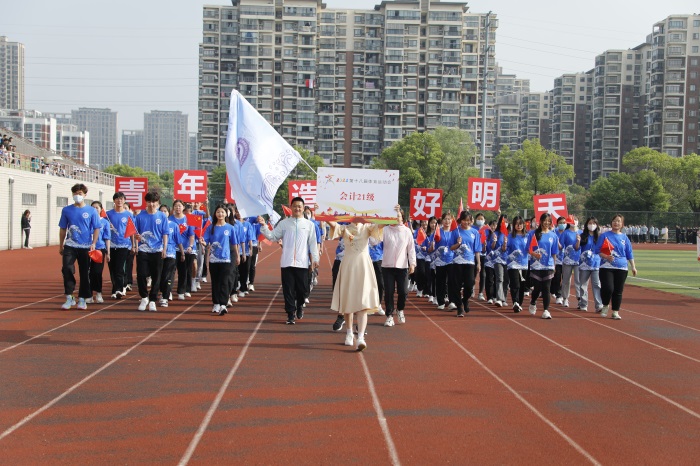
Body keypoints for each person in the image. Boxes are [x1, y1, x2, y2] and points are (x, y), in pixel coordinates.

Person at [327, 205, 401, 351]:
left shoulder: (368, 228)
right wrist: (321, 210)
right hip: (348, 265)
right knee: (347, 301)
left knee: (363, 302)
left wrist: (395, 212)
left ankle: (360, 336)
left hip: (363, 266)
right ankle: (349, 332)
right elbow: (332, 223)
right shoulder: (345, 228)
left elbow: (383, 223)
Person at [258, 197, 320, 325]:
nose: (297, 208)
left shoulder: (309, 225)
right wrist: (264, 226)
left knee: (303, 290)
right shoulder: (284, 224)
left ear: (303, 208)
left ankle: (300, 304)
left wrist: (315, 258)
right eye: (295, 206)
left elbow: (313, 243)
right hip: (287, 262)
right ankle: (290, 314)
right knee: (288, 289)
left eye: (300, 206)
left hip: (302, 263)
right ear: (291, 207)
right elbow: (273, 236)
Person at [58, 183, 101, 310]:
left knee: (84, 272)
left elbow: (97, 228)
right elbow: (62, 229)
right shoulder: (66, 210)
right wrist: (61, 245)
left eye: (80, 194)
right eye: (75, 194)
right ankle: (69, 296)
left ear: (85, 195)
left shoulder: (91, 211)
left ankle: (82, 298)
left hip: (85, 246)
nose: (77, 196)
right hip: (70, 245)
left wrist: (93, 243)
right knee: (67, 269)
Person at [595, 214, 637, 320]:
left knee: (618, 290)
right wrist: (606, 256)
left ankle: (615, 311)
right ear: (611, 222)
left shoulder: (624, 237)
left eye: (618, 221)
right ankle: (605, 305)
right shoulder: (605, 235)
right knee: (608, 288)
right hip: (606, 266)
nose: (616, 223)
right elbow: (597, 250)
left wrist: (633, 266)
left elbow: (629, 253)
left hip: (622, 267)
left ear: (622, 224)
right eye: (614, 221)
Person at [133, 191, 169, 312]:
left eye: (154, 202)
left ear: (158, 203)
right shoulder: (140, 216)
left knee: (156, 276)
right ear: (146, 202)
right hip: (143, 249)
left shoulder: (162, 216)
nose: (151, 204)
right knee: (141, 274)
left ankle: (153, 299)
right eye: (149, 202)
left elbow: (165, 234)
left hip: (157, 249)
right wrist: (136, 244)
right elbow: (134, 233)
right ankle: (144, 297)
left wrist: (164, 249)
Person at [381, 208, 416, 326]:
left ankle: (400, 309)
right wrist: (377, 225)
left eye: (399, 216)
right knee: (389, 292)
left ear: (403, 218)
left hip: (402, 267)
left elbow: (411, 249)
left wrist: (412, 264)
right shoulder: (385, 230)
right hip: (387, 266)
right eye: (394, 216)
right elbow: (374, 241)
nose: (396, 218)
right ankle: (389, 316)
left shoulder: (407, 231)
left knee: (403, 291)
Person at [204, 205, 241, 316]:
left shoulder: (230, 228)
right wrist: (203, 242)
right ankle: (216, 303)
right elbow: (206, 241)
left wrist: (238, 256)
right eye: (218, 212)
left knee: (225, 281)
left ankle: (223, 304)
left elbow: (234, 244)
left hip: (226, 259)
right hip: (214, 260)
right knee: (215, 282)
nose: (220, 214)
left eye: (222, 212)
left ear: (226, 214)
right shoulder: (211, 227)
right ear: (215, 214)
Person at [449, 211, 482, 316]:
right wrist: (458, 244)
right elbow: (451, 247)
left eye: (468, 220)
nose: (466, 222)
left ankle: (465, 299)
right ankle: (459, 307)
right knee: (456, 285)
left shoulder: (475, 232)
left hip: (470, 262)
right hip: (457, 262)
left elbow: (477, 250)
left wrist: (479, 263)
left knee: (470, 284)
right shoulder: (455, 231)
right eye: (464, 220)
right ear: (461, 220)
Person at [527, 213, 559, 319]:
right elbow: (528, 249)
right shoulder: (533, 234)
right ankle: (533, 301)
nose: (546, 222)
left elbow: (554, 252)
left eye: (549, 221)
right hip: (536, 265)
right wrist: (534, 254)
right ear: (540, 221)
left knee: (546, 288)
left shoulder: (553, 236)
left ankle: (546, 310)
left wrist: (554, 266)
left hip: (548, 265)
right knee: (537, 288)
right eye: (544, 220)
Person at [106, 193, 135, 299]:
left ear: (124, 201)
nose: (119, 201)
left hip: (123, 244)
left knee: (119, 267)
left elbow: (131, 231)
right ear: (114, 201)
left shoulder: (128, 214)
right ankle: (115, 288)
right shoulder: (108, 214)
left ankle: (118, 289)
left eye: (121, 199)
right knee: (112, 268)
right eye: (117, 199)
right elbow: (103, 229)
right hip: (110, 245)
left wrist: (133, 245)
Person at [168, 200, 196, 300]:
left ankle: (182, 291)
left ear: (183, 207)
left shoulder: (188, 219)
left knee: (183, 271)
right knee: (170, 271)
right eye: (176, 206)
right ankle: (168, 291)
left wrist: (190, 246)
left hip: (185, 249)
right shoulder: (169, 219)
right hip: (172, 249)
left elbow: (191, 235)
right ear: (173, 208)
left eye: (179, 206)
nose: (178, 208)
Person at [86, 201, 111, 304]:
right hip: (87, 249)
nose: (95, 209)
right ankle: (89, 294)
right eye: (93, 207)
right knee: (87, 272)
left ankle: (99, 292)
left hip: (99, 249)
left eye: (97, 207)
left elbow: (107, 238)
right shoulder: (87, 220)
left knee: (97, 272)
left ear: (101, 209)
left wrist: (108, 252)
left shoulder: (104, 222)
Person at [430, 212, 456, 310]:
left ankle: (452, 300)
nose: (447, 221)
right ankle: (440, 301)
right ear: (442, 220)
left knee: (451, 281)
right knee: (440, 281)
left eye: (449, 219)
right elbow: (433, 246)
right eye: (445, 219)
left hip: (451, 260)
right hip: (440, 260)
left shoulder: (454, 232)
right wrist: (432, 245)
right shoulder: (438, 231)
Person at [577, 216, 603, 312]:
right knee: (583, 284)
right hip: (584, 264)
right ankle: (583, 304)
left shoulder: (600, 237)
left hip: (596, 263)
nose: (592, 225)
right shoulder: (583, 235)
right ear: (586, 225)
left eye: (593, 223)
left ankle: (598, 305)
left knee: (596, 285)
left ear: (597, 225)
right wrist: (578, 241)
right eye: (590, 223)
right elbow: (577, 247)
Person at [158, 204, 180, 308]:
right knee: (159, 276)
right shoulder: (156, 223)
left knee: (167, 275)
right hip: (157, 252)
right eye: (161, 211)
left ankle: (165, 296)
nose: (163, 213)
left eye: (165, 211)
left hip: (170, 253)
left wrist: (183, 253)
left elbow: (178, 240)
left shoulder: (174, 225)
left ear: (169, 213)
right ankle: (162, 292)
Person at [505, 215, 528, 313]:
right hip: (513, 263)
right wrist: (504, 244)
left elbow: (532, 248)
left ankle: (519, 303)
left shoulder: (528, 236)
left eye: (521, 224)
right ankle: (515, 301)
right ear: (513, 225)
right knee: (515, 283)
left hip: (524, 263)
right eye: (517, 224)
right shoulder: (510, 236)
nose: (519, 226)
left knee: (522, 285)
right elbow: (504, 249)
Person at [560, 216, 581, 308]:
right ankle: (565, 298)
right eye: (572, 220)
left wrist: (579, 241)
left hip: (579, 260)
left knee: (578, 280)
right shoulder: (565, 233)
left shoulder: (581, 232)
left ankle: (580, 298)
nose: (574, 222)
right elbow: (560, 246)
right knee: (566, 279)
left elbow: (581, 247)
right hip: (567, 259)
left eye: (576, 220)